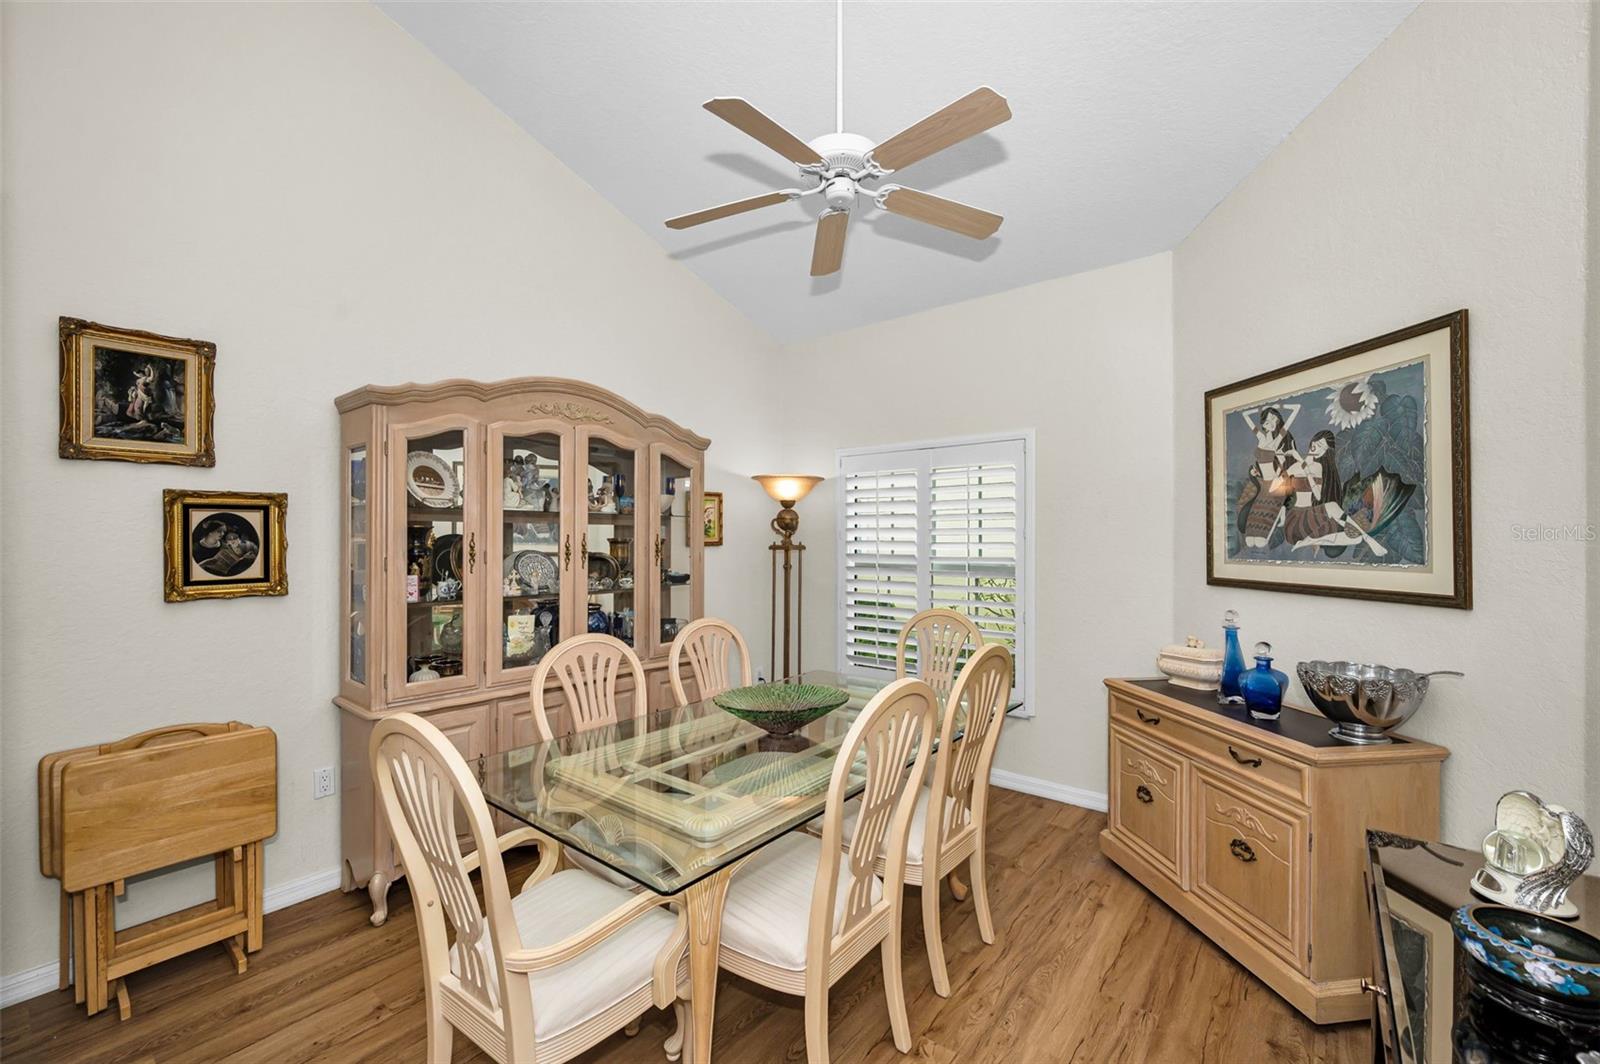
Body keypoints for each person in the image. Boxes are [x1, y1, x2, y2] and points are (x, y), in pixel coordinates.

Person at [1282, 431, 1369, 552]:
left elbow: (1317, 496)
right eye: (1318, 443)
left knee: (1355, 539)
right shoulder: (1295, 467)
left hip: (1310, 516)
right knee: (1333, 507)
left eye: (1323, 447)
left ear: (1325, 452)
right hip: (1296, 518)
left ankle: (1312, 540)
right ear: (1312, 441)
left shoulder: (1318, 467)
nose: (1317, 448)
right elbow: (1277, 484)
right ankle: (1364, 535)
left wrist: (1305, 468)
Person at [1235, 404, 1299, 548]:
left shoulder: (1276, 441)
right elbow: (1246, 416)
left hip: (1274, 482)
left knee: (1265, 514)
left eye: (1274, 421)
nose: (1271, 423)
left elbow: (1295, 411)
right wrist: (1258, 409)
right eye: (1268, 420)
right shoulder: (1261, 438)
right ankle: (1257, 529)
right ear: (1263, 422)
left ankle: (1279, 512)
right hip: (1263, 481)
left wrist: (1282, 406)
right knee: (1254, 518)